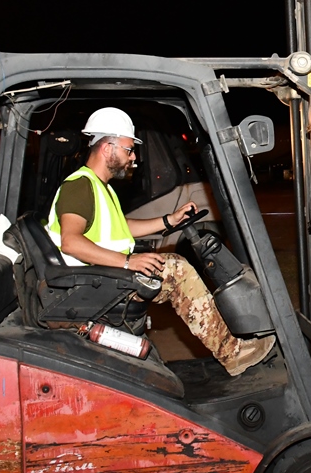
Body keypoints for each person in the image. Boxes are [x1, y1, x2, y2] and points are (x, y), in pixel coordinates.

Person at [44, 107, 275, 376]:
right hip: (94, 282)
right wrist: (129, 262)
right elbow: (71, 241)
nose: (134, 158)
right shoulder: (79, 185)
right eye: (129, 150)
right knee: (177, 271)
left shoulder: (100, 186)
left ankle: (231, 344)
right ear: (107, 148)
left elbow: (121, 227)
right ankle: (233, 353)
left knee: (174, 266)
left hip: (104, 275)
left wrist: (168, 221)